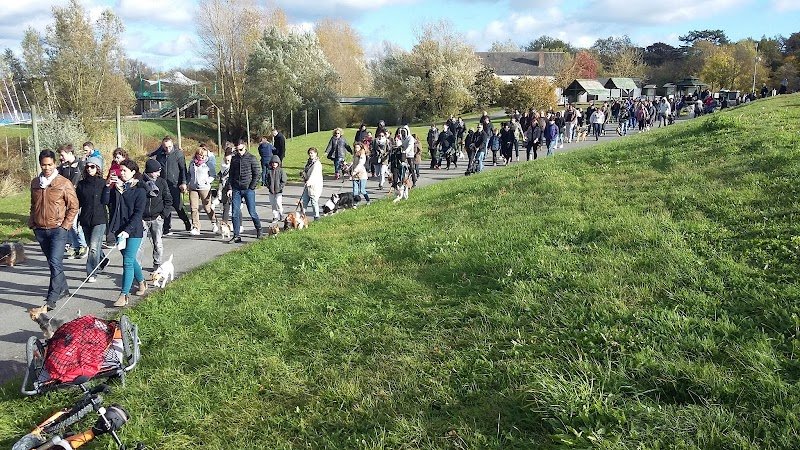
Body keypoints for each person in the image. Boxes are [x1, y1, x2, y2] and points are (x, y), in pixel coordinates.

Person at [28, 149, 80, 313]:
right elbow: (33, 204)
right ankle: (63, 288)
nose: (47, 168)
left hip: (58, 229)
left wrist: (66, 225)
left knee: (55, 262)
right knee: (53, 263)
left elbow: (74, 206)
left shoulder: (63, 183)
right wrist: (32, 221)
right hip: (41, 230)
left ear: (55, 164)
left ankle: (51, 299)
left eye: (50, 164)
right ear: (40, 165)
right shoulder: (35, 183)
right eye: (44, 165)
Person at [104, 159, 147, 307]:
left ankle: (124, 294)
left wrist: (127, 231)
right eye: (120, 171)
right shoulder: (117, 188)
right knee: (130, 259)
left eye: (124, 171)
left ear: (133, 172)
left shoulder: (140, 190)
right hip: (118, 228)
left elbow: (138, 214)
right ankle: (142, 282)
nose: (121, 173)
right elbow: (105, 201)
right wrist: (108, 186)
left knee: (127, 261)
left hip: (133, 230)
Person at [75, 156, 108, 283]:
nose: (89, 169)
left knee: (93, 247)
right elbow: (78, 202)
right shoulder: (82, 185)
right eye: (87, 166)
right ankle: (103, 259)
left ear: (98, 168)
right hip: (86, 219)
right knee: (92, 245)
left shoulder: (103, 183)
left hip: (99, 219)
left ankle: (91, 272)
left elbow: (107, 201)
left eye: (92, 166)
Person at [149, 136, 190, 235]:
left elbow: (183, 169)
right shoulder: (160, 155)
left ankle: (186, 221)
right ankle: (166, 228)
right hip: (163, 184)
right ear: (162, 146)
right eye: (165, 147)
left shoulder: (178, 154)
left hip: (175, 184)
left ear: (172, 145)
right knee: (165, 206)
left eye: (169, 146)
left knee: (177, 206)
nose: (168, 149)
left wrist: (184, 182)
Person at [225, 139, 261, 243]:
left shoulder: (252, 158)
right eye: (237, 150)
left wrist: (252, 187)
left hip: (248, 189)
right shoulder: (234, 159)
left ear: (245, 147)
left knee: (252, 212)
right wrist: (230, 188)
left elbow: (257, 174)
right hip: (236, 189)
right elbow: (231, 175)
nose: (239, 151)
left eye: (241, 149)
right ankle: (236, 235)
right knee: (235, 213)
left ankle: (259, 230)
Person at [139, 159, 172, 270]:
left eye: (159, 171)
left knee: (157, 243)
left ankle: (157, 263)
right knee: (140, 245)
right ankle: (137, 265)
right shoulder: (140, 182)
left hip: (157, 218)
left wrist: (163, 214)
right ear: (149, 171)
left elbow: (168, 199)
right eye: (156, 171)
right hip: (142, 219)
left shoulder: (162, 182)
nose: (158, 174)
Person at [58, 144, 87, 259]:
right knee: (68, 224)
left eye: (62, 154)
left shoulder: (81, 165)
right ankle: (75, 247)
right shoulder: (62, 167)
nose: (61, 157)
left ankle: (83, 245)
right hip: (65, 199)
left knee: (75, 224)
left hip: (77, 199)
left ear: (70, 153)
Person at [186, 146, 217, 235]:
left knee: (207, 207)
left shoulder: (208, 163)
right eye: (199, 155)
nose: (201, 157)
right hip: (193, 187)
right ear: (196, 154)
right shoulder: (192, 163)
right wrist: (188, 183)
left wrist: (207, 181)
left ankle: (214, 222)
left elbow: (213, 175)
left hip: (204, 188)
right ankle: (196, 227)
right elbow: (189, 174)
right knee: (193, 208)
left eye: (203, 155)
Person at [300, 147, 323, 219]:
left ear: (316, 153)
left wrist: (309, 182)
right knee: (305, 201)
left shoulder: (317, 164)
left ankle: (316, 216)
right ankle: (302, 215)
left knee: (314, 201)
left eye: (312, 153)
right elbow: (306, 171)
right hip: (308, 184)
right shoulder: (309, 162)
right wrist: (303, 174)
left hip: (315, 185)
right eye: (309, 153)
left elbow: (314, 174)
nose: (310, 154)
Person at [264, 155, 287, 222]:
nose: (274, 164)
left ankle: (281, 214)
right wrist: (269, 186)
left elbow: (284, 180)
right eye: (273, 163)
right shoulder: (269, 171)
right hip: (271, 191)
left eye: (275, 163)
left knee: (278, 203)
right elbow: (266, 180)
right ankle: (275, 216)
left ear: (278, 163)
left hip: (278, 191)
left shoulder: (281, 171)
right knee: (273, 204)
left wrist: (280, 187)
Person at [217, 148, 233, 233]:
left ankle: (238, 225)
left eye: (229, 160)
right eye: (226, 160)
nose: (227, 162)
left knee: (235, 208)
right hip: (224, 187)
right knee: (225, 207)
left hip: (233, 187)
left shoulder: (234, 166)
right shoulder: (223, 166)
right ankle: (224, 225)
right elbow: (221, 177)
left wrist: (230, 188)